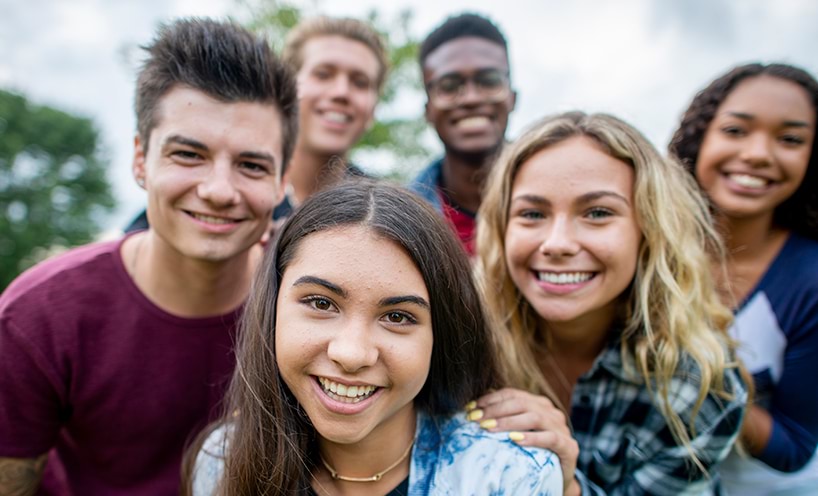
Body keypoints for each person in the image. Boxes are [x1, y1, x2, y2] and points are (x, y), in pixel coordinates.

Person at [0, 18, 297, 494]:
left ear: (282, 181)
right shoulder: (38, 315)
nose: (219, 190)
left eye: (251, 165)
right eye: (188, 155)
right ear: (140, 160)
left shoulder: (306, 307)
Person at [183, 181, 562, 495]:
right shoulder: (223, 463)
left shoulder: (510, 478)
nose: (351, 353)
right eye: (321, 303)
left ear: (441, 335)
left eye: (397, 317)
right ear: (273, 307)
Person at [474, 111, 748, 495]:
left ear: (649, 230)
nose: (557, 244)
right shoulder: (459, 343)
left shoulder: (697, 386)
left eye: (597, 213)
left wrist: (566, 484)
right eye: (532, 213)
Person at [669, 63, 818, 495]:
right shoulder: (651, 251)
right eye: (736, 131)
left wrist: (707, 379)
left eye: (790, 139)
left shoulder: (809, 279)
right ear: (700, 137)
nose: (757, 153)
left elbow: (794, 447)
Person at [125, 16, 386, 231]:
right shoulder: (196, 202)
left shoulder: (382, 209)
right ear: (286, 90)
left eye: (360, 82)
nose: (341, 92)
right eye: (323, 74)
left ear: (374, 106)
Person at [409, 13, 516, 256]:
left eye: (488, 81)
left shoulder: (563, 196)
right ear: (428, 110)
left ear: (513, 97)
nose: (471, 98)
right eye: (449, 86)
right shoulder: (399, 220)